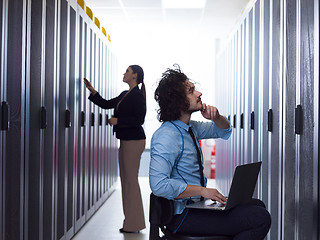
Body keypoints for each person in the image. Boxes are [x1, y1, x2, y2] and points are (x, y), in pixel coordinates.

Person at [149, 65, 271, 239]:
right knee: (259, 218)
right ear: (177, 100)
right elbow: (159, 185)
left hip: (195, 207)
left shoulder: (190, 128)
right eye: (191, 91)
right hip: (181, 216)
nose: (199, 93)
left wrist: (216, 117)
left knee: (258, 205)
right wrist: (202, 190)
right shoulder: (166, 136)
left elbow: (223, 130)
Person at [84, 65, 146, 233]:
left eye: (127, 71)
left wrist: (119, 121)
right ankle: (131, 223)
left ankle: (134, 223)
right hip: (126, 140)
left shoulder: (137, 95)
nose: (124, 73)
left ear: (135, 75)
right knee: (126, 180)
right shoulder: (125, 94)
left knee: (130, 181)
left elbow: (139, 119)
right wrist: (92, 90)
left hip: (134, 140)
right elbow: (106, 104)